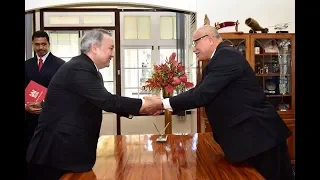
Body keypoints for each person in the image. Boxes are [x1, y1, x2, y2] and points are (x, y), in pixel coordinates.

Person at [149, 25, 294, 180]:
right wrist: (165, 103)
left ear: (209, 39)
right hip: (252, 138)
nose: (193, 49)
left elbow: (201, 95)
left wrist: (161, 104)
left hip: (260, 138)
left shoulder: (226, 57)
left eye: (195, 43)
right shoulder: (219, 58)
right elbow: (199, 92)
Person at [25, 29, 162, 180]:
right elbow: (107, 101)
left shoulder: (87, 68)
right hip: (56, 152)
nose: (112, 53)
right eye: (110, 48)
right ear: (95, 48)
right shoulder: (79, 67)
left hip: (67, 150)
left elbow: (99, 101)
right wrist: (144, 104)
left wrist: (143, 109)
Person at [24, 31, 65, 172]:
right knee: (31, 156)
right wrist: (25, 107)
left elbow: (64, 93)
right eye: (37, 44)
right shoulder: (26, 65)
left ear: (49, 44)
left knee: (50, 156)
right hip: (29, 117)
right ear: (33, 45)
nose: (40, 47)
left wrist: (45, 105)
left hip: (52, 117)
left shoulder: (61, 65)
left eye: (43, 44)